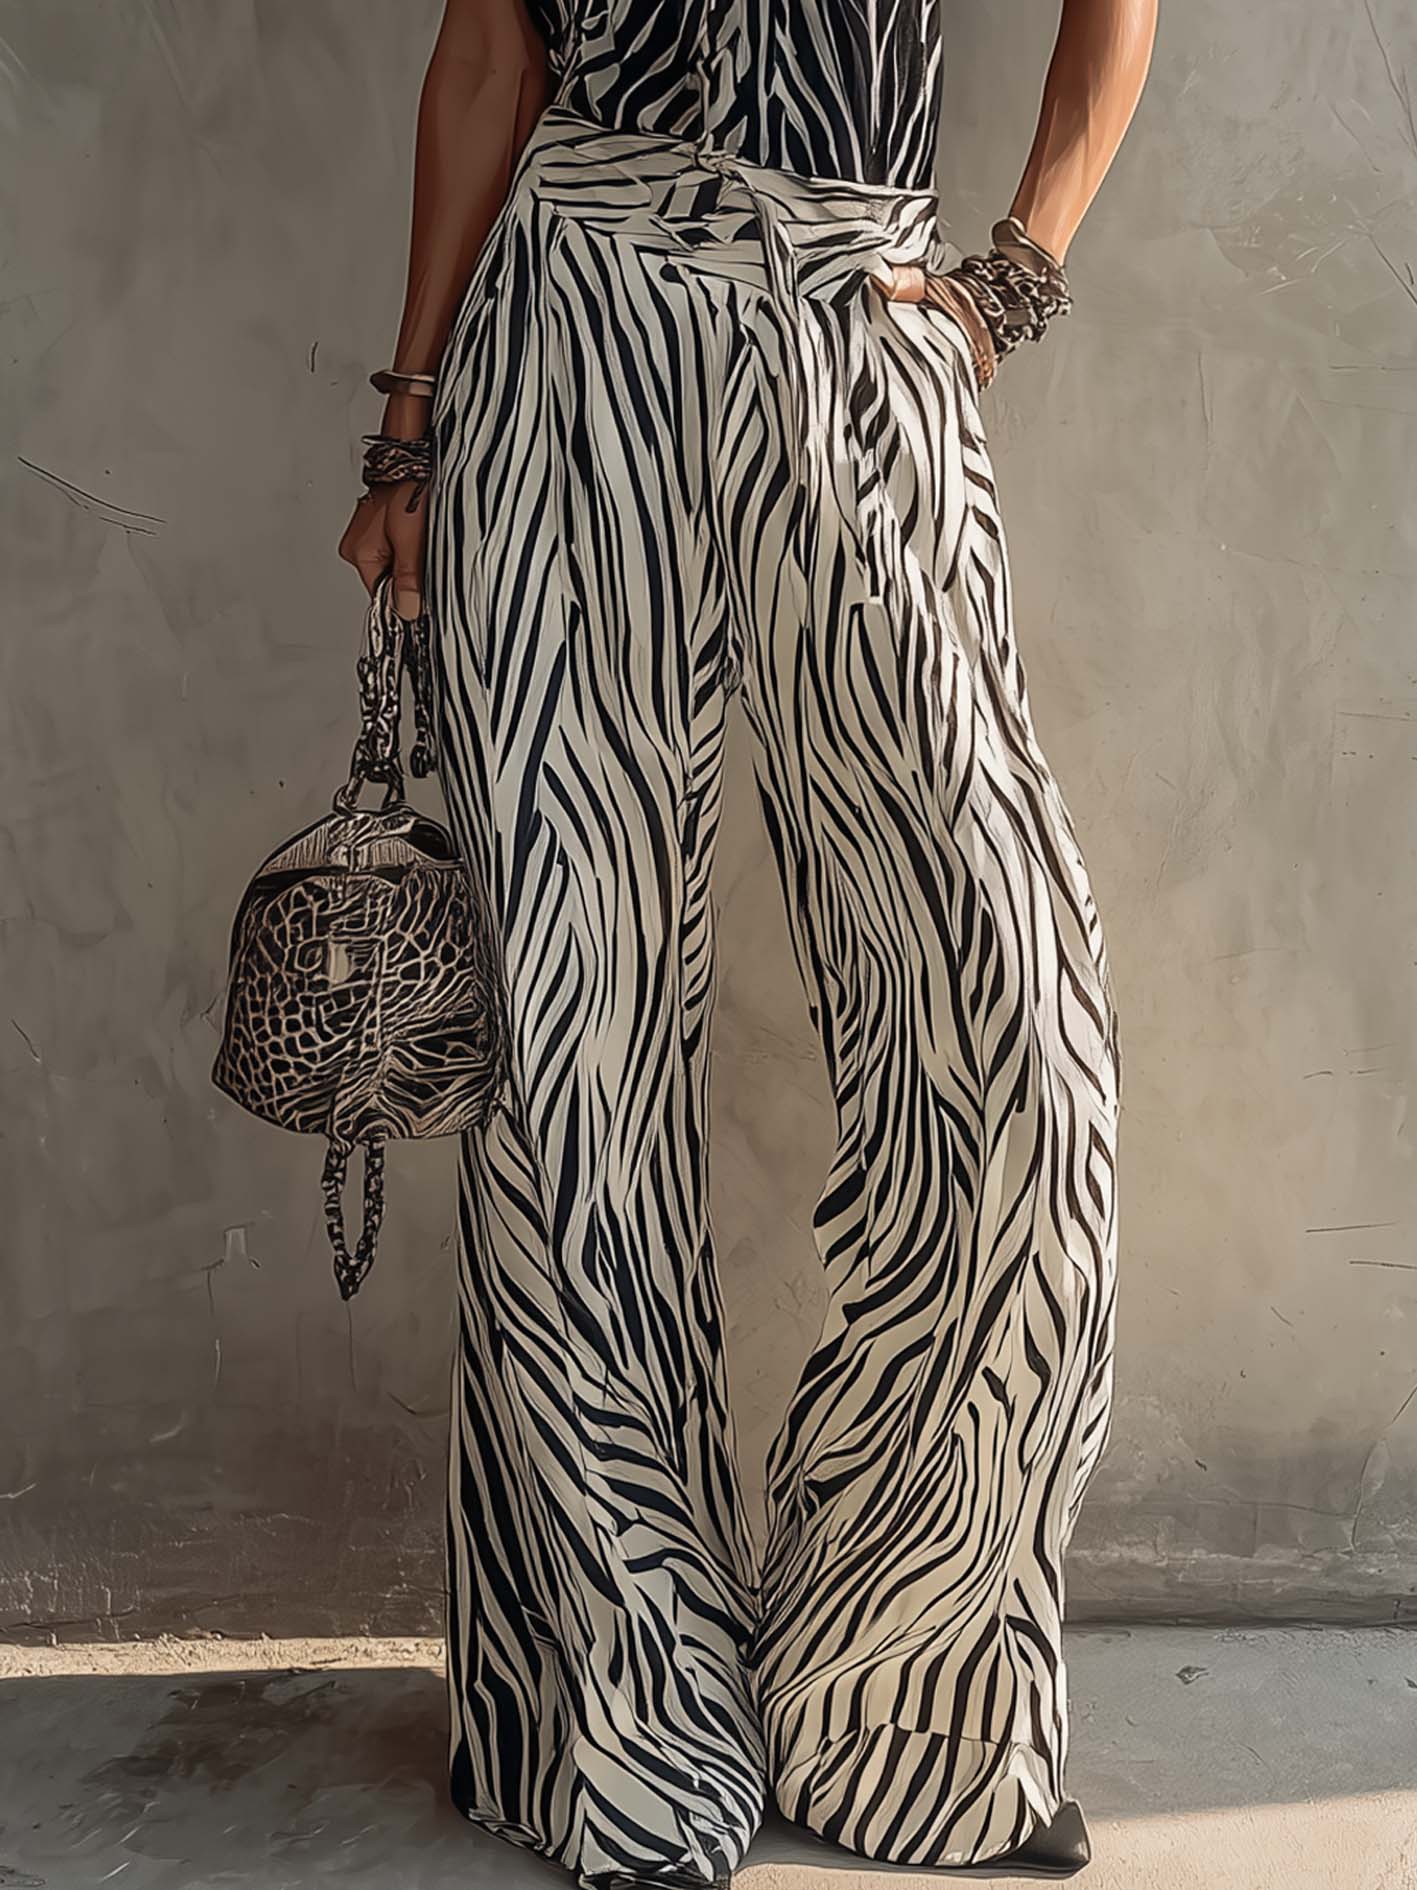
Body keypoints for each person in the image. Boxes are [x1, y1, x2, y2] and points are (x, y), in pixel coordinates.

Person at [339, 4, 1154, 1886]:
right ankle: (609, 1706)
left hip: (858, 329)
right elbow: (488, 54)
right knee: (574, 1040)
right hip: (569, 339)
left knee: (1015, 1040)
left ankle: (914, 1696)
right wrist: (406, 426)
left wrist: (1015, 274)